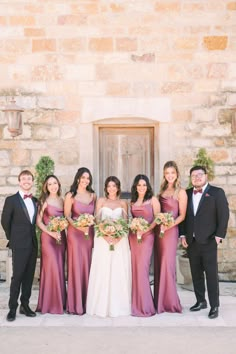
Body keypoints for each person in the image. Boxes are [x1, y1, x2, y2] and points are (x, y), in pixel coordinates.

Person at [180, 165, 229, 319]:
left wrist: (219, 235)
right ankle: (201, 301)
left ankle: (215, 305)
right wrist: (182, 236)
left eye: (200, 174)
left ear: (206, 176)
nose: (197, 177)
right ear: (191, 178)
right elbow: (183, 216)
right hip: (192, 241)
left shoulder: (217, 193)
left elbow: (224, 215)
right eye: (194, 175)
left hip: (209, 240)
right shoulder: (187, 194)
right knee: (196, 273)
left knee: (211, 274)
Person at [86, 176, 131, 317]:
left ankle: (119, 306)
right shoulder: (100, 201)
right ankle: (101, 306)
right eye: (109, 186)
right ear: (106, 188)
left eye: (114, 186)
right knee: (103, 269)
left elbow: (125, 222)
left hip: (119, 240)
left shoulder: (123, 202)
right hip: (102, 240)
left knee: (118, 269)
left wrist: (117, 236)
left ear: (118, 187)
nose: (111, 188)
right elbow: (97, 220)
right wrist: (105, 235)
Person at [1, 170, 38, 321]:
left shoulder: (35, 200)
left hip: (33, 244)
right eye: (23, 179)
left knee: (29, 277)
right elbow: (4, 221)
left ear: (32, 181)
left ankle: (25, 305)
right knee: (17, 277)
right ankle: (12, 308)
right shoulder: (11, 200)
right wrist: (13, 238)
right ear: (19, 181)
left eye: (29, 179)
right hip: (19, 244)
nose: (26, 181)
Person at [154, 161, 187, 313]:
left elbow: (182, 215)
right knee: (160, 263)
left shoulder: (180, 192)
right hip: (159, 232)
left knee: (168, 264)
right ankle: (159, 301)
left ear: (177, 174)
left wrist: (169, 225)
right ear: (164, 175)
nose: (170, 176)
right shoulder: (160, 191)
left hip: (170, 231)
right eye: (167, 173)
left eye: (172, 173)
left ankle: (170, 302)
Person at [64, 167, 96, 315]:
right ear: (78, 178)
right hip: (75, 235)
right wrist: (78, 226)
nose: (85, 180)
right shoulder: (70, 195)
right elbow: (67, 216)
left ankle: (87, 302)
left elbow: (95, 215)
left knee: (88, 264)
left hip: (88, 234)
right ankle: (75, 303)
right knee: (76, 265)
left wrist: (89, 225)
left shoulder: (93, 195)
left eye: (87, 178)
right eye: (83, 178)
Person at [129, 174, 160, 317]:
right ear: (135, 187)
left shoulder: (153, 200)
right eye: (139, 185)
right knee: (135, 269)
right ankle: (136, 304)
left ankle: (146, 306)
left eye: (144, 185)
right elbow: (132, 219)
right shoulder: (132, 201)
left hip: (147, 237)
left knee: (143, 269)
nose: (141, 187)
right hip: (134, 237)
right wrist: (135, 227)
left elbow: (157, 219)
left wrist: (146, 229)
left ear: (147, 186)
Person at [36, 175, 67, 314]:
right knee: (52, 267)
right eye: (50, 184)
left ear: (58, 184)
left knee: (59, 267)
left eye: (55, 183)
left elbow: (67, 218)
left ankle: (59, 302)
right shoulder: (44, 201)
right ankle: (49, 304)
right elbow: (39, 221)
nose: (53, 186)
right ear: (46, 187)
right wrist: (51, 232)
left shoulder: (63, 200)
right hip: (48, 238)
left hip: (61, 238)